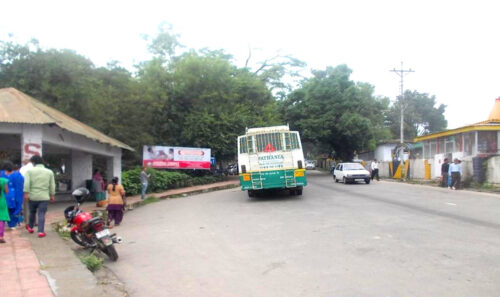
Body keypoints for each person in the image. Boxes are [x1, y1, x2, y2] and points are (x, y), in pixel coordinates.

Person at [23, 155, 55, 238]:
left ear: (33, 162)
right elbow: (52, 185)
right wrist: (52, 195)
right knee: (41, 213)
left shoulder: (29, 171)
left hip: (32, 196)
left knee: (32, 212)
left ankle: (30, 227)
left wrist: (26, 193)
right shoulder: (49, 172)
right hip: (44, 197)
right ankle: (40, 231)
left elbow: (26, 183)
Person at [1, 161, 24, 229]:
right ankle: (12, 225)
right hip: (14, 196)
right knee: (13, 211)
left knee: (2, 212)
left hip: (2, 197)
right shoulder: (18, 176)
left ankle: (2, 226)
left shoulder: (1, 174)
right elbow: (20, 188)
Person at [0, 173, 9, 243]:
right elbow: (6, 191)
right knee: (1, 219)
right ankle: (1, 237)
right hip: (1, 201)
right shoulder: (3, 180)